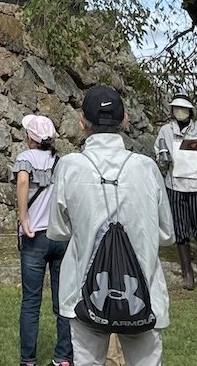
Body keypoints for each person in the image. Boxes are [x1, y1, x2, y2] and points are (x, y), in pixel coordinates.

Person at [48, 84, 173, 366]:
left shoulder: (70, 166)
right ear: (125, 119)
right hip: (143, 288)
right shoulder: (146, 167)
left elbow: (58, 230)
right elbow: (166, 234)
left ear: (82, 123)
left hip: (85, 287)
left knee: (87, 361)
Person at [15, 112, 71, 366]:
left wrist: (23, 216)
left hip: (34, 236)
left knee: (31, 301)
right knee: (63, 301)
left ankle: (28, 360)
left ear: (31, 137)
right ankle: (63, 357)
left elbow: (23, 180)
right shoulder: (62, 162)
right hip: (60, 236)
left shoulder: (25, 158)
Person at [152, 94, 197, 290]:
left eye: (183, 108)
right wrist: (165, 158)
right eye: (176, 108)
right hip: (175, 185)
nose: (180, 112)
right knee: (180, 230)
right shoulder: (165, 131)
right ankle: (187, 272)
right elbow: (159, 154)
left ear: (190, 111)